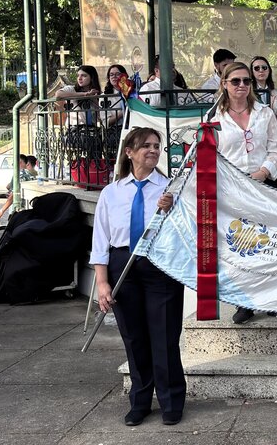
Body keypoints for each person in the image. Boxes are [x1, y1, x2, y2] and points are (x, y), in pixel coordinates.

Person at [91, 127, 184, 426]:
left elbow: (184, 230)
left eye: (156, 146)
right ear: (129, 152)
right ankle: (140, 402)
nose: (153, 150)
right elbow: (100, 240)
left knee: (164, 335)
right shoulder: (112, 192)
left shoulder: (170, 189)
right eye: (146, 145)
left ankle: (171, 401)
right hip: (123, 265)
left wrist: (171, 210)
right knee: (133, 337)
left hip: (160, 264)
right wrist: (102, 282)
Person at [216, 62, 277, 324]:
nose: (242, 85)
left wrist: (264, 172)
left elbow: (276, 148)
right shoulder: (214, 118)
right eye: (235, 81)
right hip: (232, 188)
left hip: (262, 185)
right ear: (224, 84)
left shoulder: (264, 113)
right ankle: (244, 301)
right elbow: (212, 156)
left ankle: (275, 300)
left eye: (246, 81)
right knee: (240, 246)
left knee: (268, 244)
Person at [57, 65, 104, 162]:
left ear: (92, 78)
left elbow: (101, 116)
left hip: (92, 130)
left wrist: (94, 99)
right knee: (89, 144)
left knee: (99, 145)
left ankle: (95, 167)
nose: (80, 78)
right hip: (75, 130)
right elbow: (58, 94)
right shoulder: (71, 89)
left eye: (84, 76)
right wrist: (84, 95)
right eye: (78, 75)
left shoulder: (96, 93)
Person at [0, 154, 38, 225]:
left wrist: (1, 211)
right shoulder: (34, 174)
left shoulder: (19, 175)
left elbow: (14, 194)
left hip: (18, 211)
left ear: (23, 163)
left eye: (16, 163)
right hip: (31, 211)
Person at [249, 56, 277, 120]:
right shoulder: (249, 91)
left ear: (269, 70)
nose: (261, 70)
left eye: (264, 67)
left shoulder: (274, 92)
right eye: (257, 68)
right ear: (252, 72)